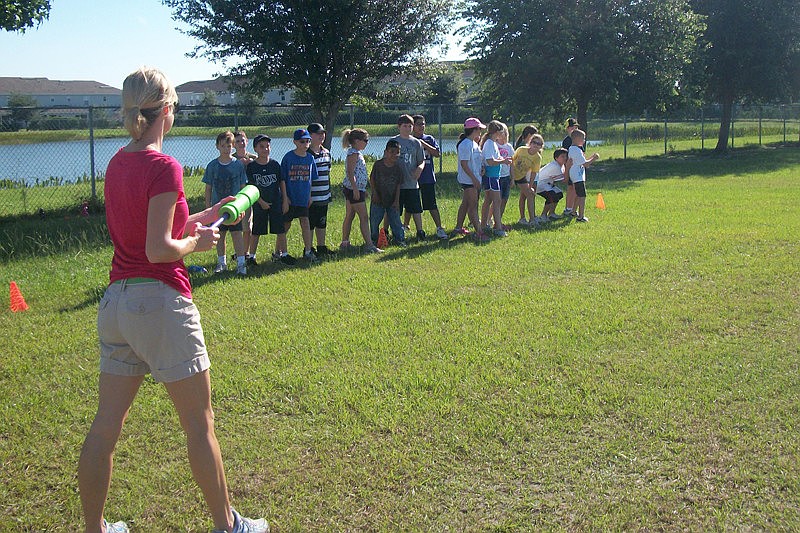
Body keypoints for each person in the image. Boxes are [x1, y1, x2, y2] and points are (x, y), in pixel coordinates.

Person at [78, 66, 268, 533]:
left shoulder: (119, 162)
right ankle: (230, 527)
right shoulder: (164, 165)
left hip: (117, 306)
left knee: (105, 426)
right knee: (199, 425)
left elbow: (153, 225)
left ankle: (94, 529)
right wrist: (195, 245)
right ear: (166, 111)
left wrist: (203, 216)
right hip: (160, 304)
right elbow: (159, 248)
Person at [203, 131, 248, 275]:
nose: (226, 149)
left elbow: (242, 188)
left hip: (234, 208)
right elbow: (208, 188)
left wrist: (242, 206)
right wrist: (208, 207)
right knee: (220, 235)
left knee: (237, 235)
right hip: (218, 208)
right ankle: (221, 263)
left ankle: (241, 264)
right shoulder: (212, 166)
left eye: (228, 145)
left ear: (233, 146)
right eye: (223, 145)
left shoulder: (238, 166)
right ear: (217, 146)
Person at [246, 134, 295, 266]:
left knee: (280, 229)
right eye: (261, 146)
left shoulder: (274, 164)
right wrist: (261, 202)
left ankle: (283, 254)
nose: (265, 149)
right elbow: (251, 186)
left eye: (267, 146)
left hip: (275, 201)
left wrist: (285, 200)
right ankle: (251, 257)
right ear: (255, 149)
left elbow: (282, 183)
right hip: (259, 203)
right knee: (257, 231)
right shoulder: (252, 167)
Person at [340, 128, 382, 253]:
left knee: (350, 215)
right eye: (365, 140)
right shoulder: (353, 154)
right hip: (353, 189)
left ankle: (345, 243)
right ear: (357, 141)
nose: (367, 143)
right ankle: (369, 245)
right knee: (364, 217)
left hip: (356, 189)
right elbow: (350, 172)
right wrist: (355, 189)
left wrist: (362, 189)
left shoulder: (356, 152)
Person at [281, 129, 319, 261]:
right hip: (291, 198)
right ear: (295, 142)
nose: (305, 144)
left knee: (305, 222)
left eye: (308, 141)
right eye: (302, 141)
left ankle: (308, 251)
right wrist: (285, 198)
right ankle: (278, 252)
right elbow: (283, 180)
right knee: (285, 225)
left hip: (303, 198)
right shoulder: (288, 157)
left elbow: (310, 180)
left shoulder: (310, 158)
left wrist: (309, 196)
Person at [451, 117, 490, 242]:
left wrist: (481, 169)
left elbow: (475, 162)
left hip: (474, 179)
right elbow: (464, 164)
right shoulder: (465, 144)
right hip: (469, 181)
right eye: (479, 129)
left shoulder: (473, 143)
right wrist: (474, 179)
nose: (480, 131)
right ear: (473, 129)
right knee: (473, 205)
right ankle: (479, 232)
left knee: (466, 203)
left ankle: (458, 227)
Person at [411, 114, 448, 239]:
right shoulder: (409, 140)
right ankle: (406, 226)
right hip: (413, 177)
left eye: (423, 123)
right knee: (411, 204)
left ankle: (439, 228)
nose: (421, 126)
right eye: (418, 124)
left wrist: (424, 144)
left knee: (431, 203)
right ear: (412, 126)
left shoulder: (429, 138)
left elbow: (437, 153)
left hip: (427, 177)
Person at [391, 114, 426, 240]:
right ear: (399, 127)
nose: (407, 128)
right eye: (404, 126)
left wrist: (419, 169)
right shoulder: (393, 141)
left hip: (411, 182)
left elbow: (421, 161)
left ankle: (420, 232)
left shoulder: (416, 143)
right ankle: (393, 232)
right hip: (397, 184)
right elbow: (387, 160)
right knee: (395, 209)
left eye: (410, 126)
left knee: (416, 209)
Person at [369, 139, 406, 247]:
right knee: (374, 221)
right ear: (386, 152)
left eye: (397, 152)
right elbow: (372, 179)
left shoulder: (398, 168)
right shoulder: (378, 165)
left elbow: (399, 185)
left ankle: (399, 239)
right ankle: (374, 240)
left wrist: (396, 201)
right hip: (378, 199)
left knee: (396, 222)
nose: (394, 155)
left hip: (392, 199)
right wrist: (374, 193)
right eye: (391, 152)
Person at [479, 120, 512, 237]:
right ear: (497, 132)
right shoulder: (489, 144)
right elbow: (490, 161)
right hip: (491, 176)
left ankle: (483, 225)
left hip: (493, 176)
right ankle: (498, 227)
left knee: (488, 200)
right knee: (497, 201)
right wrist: (504, 160)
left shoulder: (491, 143)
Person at [307, 123, 335, 256]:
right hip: (311, 197)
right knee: (310, 223)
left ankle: (321, 246)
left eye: (323, 133)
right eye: (318, 133)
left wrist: (328, 193)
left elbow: (327, 172)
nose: (321, 136)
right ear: (310, 136)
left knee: (322, 222)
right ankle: (309, 248)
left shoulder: (326, 152)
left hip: (324, 195)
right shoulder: (306, 154)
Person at [233, 131, 257, 264]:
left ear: (247, 141)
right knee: (236, 227)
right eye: (237, 141)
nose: (241, 143)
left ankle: (245, 252)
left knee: (248, 226)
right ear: (233, 145)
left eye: (243, 140)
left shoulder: (253, 158)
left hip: (249, 195)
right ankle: (238, 252)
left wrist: (251, 164)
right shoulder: (231, 159)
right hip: (235, 195)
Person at [567, 128, 600, 222]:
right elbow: (586, 164)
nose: (584, 140)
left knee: (578, 194)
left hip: (578, 175)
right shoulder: (575, 150)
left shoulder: (575, 149)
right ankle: (581, 216)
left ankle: (573, 211)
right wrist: (594, 158)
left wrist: (591, 158)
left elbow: (583, 162)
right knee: (582, 196)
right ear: (576, 138)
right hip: (577, 176)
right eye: (583, 138)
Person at [512, 132, 543, 226]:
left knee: (529, 194)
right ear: (530, 142)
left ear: (541, 147)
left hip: (521, 177)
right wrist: (512, 179)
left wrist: (530, 185)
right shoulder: (521, 149)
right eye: (534, 142)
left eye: (538, 144)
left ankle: (530, 219)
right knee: (501, 197)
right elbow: (512, 161)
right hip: (511, 174)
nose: (535, 145)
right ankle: (523, 218)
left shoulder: (537, 157)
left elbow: (534, 172)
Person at [535, 147, 568, 222]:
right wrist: (568, 167)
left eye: (566, 156)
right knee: (551, 196)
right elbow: (564, 180)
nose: (565, 158)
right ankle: (543, 216)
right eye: (562, 156)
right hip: (540, 184)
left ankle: (551, 213)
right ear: (556, 158)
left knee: (559, 194)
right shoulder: (556, 166)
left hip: (547, 183)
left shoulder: (561, 165)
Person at [562, 118, 582, 217]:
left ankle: (574, 209)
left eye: (576, 127)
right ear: (568, 128)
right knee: (570, 188)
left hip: (578, 168)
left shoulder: (579, 139)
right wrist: (566, 169)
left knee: (576, 189)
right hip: (570, 167)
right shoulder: (567, 141)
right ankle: (568, 208)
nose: (575, 129)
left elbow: (582, 153)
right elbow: (565, 157)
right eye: (573, 127)